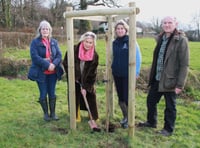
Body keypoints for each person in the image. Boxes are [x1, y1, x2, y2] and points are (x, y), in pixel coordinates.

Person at [138, 16, 189, 136]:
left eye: (170, 22)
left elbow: (184, 64)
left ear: (176, 24)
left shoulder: (181, 40)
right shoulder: (161, 38)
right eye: (164, 23)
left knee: (170, 107)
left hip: (171, 80)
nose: (167, 25)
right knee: (150, 101)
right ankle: (151, 122)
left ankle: (168, 129)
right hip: (157, 78)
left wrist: (180, 84)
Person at [28, 20, 63, 121]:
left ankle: (53, 113)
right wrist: (47, 65)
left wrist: (53, 64)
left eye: (47, 28)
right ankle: (46, 114)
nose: (45, 30)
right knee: (43, 93)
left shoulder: (54, 42)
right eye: (43, 28)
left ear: (50, 30)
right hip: (41, 73)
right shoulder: (35, 42)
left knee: (52, 93)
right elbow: (34, 57)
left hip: (53, 73)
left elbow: (59, 55)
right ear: (40, 30)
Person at [63, 31, 99, 122]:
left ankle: (93, 116)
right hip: (74, 78)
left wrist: (86, 86)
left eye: (90, 42)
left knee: (90, 94)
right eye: (86, 42)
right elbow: (65, 63)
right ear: (82, 41)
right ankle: (75, 115)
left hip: (87, 79)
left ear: (93, 43)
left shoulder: (95, 56)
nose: (88, 44)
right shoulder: (73, 50)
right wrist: (73, 77)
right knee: (74, 95)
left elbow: (93, 73)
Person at [111, 20, 142, 128]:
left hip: (127, 74)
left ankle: (130, 119)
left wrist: (136, 72)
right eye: (118, 29)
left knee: (127, 97)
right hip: (117, 74)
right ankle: (125, 117)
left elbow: (138, 57)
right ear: (115, 31)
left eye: (121, 29)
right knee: (120, 98)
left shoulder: (131, 41)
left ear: (126, 30)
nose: (120, 30)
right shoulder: (114, 43)